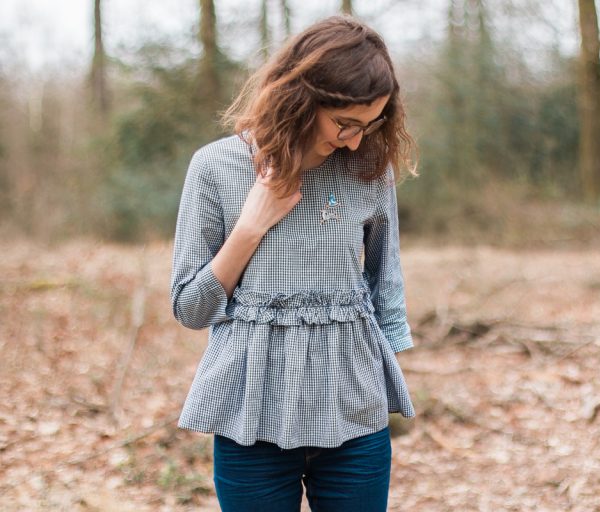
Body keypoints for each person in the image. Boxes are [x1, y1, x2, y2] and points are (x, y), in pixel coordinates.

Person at [169, 14, 417, 512]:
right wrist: (250, 226)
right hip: (250, 421)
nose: (355, 140)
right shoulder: (215, 168)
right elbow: (190, 309)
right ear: (302, 99)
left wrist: (378, 383)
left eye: (369, 125)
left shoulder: (370, 170)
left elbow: (385, 290)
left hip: (354, 418)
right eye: (345, 123)